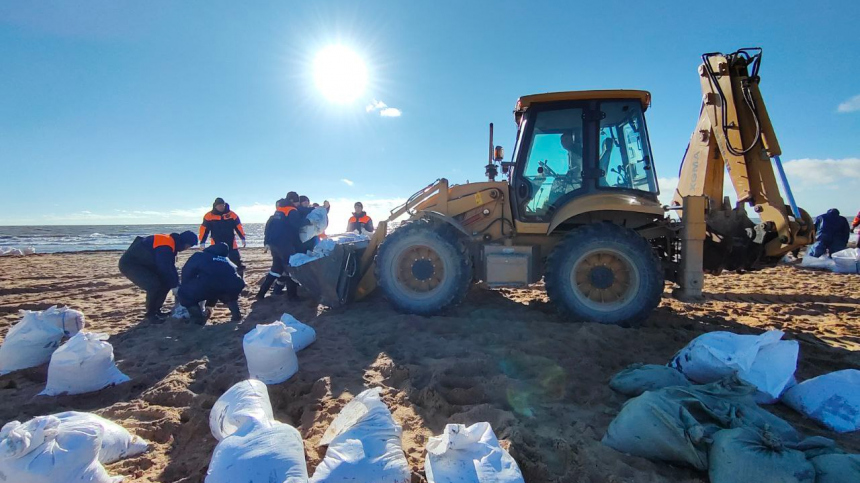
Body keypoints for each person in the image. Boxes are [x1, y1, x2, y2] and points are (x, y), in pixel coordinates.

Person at [119, 231, 198, 323]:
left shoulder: (171, 244)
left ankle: (157, 310)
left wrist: (176, 284)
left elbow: (170, 267)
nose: (187, 249)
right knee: (153, 285)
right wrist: (174, 286)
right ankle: (150, 314)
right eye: (188, 246)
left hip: (145, 263)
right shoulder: (165, 245)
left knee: (165, 283)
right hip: (130, 264)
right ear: (184, 242)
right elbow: (164, 267)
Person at [177, 242, 245, 325]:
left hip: (212, 285)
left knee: (184, 294)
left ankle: (198, 318)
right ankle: (236, 315)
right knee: (226, 292)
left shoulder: (200, 255)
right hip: (235, 285)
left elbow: (187, 271)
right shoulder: (227, 260)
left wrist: (186, 286)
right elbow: (219, 280)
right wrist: (210, 305)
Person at [258, 192, 304, 300]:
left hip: (275, 244)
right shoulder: (291, 210)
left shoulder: (278, 211)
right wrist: (307, 221)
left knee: (276, 269)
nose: (298, 204)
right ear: (293, 201)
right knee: (291, 267)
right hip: (285, 244)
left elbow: (269, 228)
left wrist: (267, 242)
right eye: (297, 202)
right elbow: (296, 225)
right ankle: (292, 295)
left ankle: (261, 293)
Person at [198, 197, 247, 277]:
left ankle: (240, 279)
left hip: (231, 242)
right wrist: (202, 242)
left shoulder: (232, 214)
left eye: (222, 205)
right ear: (215, 206)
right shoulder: (209, 216)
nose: (221, 207)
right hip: (216, 243)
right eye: (219, 205)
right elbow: (204, 230)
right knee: (218, 262)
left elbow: (238, 227)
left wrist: (243, 238)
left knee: (236, 262)